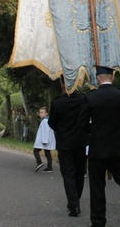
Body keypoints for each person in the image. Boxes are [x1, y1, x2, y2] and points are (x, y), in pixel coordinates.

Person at [79, 65, 120, 227]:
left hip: (98, 147)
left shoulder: (90, 98)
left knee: (97, 186)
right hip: (119, 145)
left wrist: (93, 131)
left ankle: (98, 221)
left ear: (98, 78)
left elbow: (81, 123)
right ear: (113, 77)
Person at [49, 79, 89, 218]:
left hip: (65, 142)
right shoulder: (83, 99)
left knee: (68, 174)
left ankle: (74, 204)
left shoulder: (57, 102)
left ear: (62, 85)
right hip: (80, 141)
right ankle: (75, 199)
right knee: (79, 173)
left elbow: (52, 123)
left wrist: (61, 130)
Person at [33, 106, 56, 172]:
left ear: (46, 113)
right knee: (47, 152)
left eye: (42, 112)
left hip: (44, 140)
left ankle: (39, 162)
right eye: (40, 113)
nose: (40, 114)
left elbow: (46, 131)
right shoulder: (47, 120)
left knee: (35, 150)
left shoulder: (45, 121)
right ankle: (49, 167)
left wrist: (45, 140)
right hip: (47, 140)